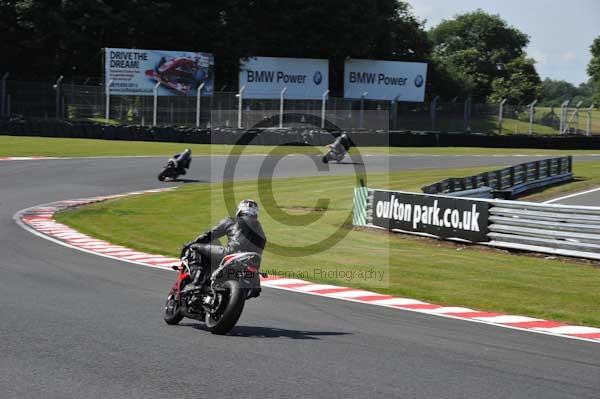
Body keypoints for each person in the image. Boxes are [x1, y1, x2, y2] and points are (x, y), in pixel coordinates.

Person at [183, 199, 267, 290]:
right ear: (255, 213)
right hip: (251, 264)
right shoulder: (262, 232)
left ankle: (197, 282)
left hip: (231, 255)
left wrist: (192, 242)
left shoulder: (232, 220)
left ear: (240, 210)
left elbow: (210, 234)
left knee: (195, 248)